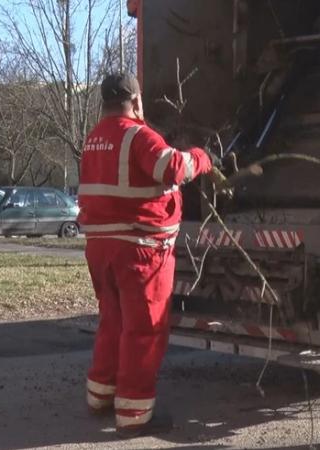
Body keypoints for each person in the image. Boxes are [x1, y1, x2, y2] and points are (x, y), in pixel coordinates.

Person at [78, 73, 213, 438]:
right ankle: (134, 413)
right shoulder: (138, 136)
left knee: (113, 321)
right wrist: (202, 158)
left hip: (101, 248)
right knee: (143, 330)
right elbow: (171, 167)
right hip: (140, 253)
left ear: (103, 103)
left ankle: (99, 396)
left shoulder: (94, 140)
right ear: (136, 102)